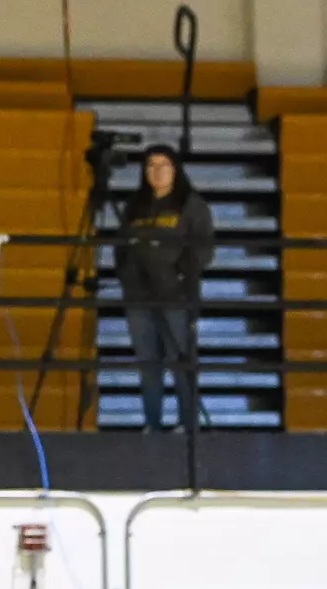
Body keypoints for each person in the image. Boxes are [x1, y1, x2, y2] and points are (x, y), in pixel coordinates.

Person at [115, 143, 215, 433]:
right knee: (148, 363)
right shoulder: (133, 206)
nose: (157, 172)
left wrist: (179, 274)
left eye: (164, 165)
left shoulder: (191, 205)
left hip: (176, 296)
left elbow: (204, 248)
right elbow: (120, 248)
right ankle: (152, 423)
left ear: (175, 170)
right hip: (138, 298)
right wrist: (128, 275)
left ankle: (187, 423)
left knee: (180, 360)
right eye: (151, 166)